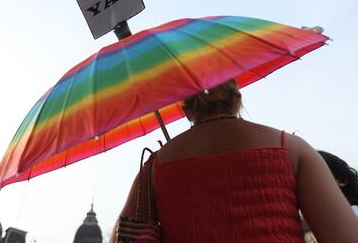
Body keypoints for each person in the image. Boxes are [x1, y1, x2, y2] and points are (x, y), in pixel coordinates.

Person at [110, 79, 358, 242]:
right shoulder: (291, 148)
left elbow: (123, 237)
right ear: (237, 98)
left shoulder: (154, 168)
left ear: (186, 110)